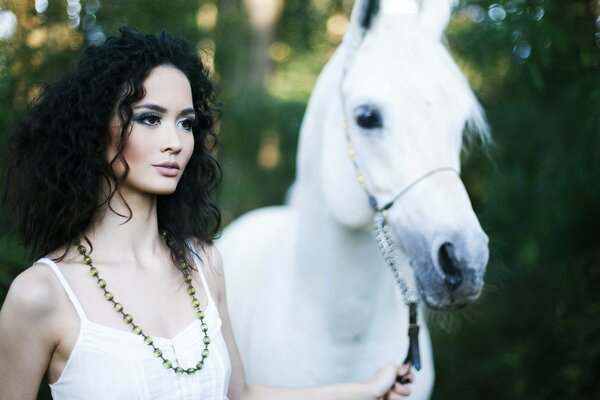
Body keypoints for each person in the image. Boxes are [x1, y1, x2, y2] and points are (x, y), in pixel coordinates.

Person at [0, 27, 414, 400]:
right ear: (93, 130)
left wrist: (365, 390)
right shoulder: (41, 295)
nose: (176, 142)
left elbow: (241, 395)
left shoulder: (204, 263)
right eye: (150, 118)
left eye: (185, 123)